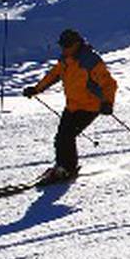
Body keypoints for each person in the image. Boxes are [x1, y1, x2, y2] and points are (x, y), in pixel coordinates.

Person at [22, 29, 118, 181]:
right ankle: (62, 166)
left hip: (90, 107)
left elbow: (109, 84)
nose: (64, 48)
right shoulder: (66, 60)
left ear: (77, 44)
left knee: (66, 136)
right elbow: (53, 75)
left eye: (67, 45)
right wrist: (36, 89)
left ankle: (67, 168)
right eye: (62, 45)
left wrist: (107, 103)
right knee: (61, 137)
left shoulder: (90, 61)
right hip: (72, 105)